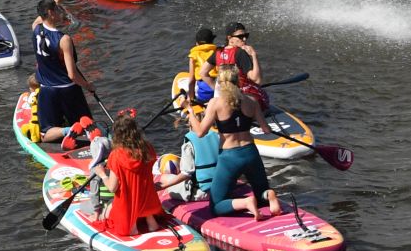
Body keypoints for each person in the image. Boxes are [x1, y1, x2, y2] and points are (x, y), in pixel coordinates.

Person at [188, 69, 278, 219]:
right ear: (239, 82)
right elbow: (266, 129)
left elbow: (200, 132)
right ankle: (269, 194)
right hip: (251, 153)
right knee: (261, 193)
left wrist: (191, 113)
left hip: (230, 157)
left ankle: (246, 203)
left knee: (216, 206)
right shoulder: (252, 101)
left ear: (219, 85)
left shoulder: (215, 103)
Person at [85, 112, 172, 235]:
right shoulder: (148, 148)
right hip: (150, 203)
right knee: (141, 196)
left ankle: (133, 226)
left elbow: (112, 187)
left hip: (128, 207)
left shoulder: (116, 156)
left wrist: (102, 174)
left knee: (104, 214)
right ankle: (150, 221)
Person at [29, 0, 98, 142]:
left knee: (45, 135)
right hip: (68, 90)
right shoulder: (64, 39)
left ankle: (66, 131)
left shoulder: (35, 27)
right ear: (50, 13)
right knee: (87, 126)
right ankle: (76, 129)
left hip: (47, 90)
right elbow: (72, 75)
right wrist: (88, 86)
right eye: (58, 10)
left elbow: (55, 1)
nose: (61, 13)